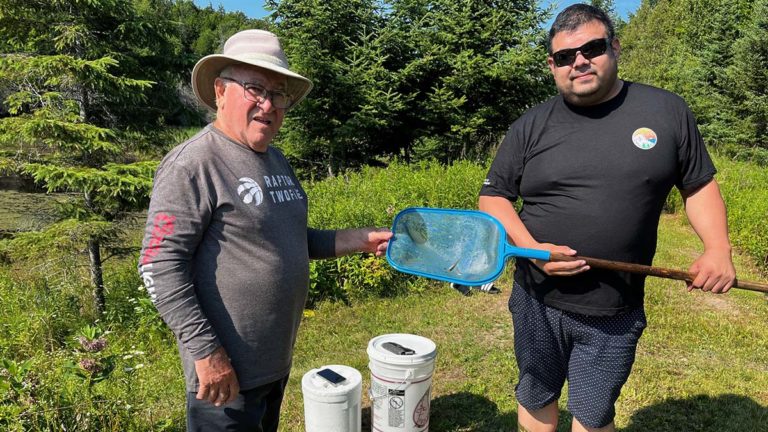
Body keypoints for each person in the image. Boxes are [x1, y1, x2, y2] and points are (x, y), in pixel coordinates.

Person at [478, 4, 736, 432]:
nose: (579, 61)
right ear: (552, 65)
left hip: (614, 304)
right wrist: (533, 249)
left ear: (614, 47)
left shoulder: (666, 111)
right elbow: (493, 198)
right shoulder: (531, 124)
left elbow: (698, 186)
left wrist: (717, 248)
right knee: (535, 393)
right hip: (536, 296)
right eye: (564, 56)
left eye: (592, 48)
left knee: (594, 415)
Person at [138, 29, 392, 432]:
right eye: (254, 88)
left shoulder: (276, 160)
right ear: (220, 91)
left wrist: (360, 239)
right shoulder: (193, 164)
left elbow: (292, 241)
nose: (268, 104)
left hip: (272, 363)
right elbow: (158, 264)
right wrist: (208, 354)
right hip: (224, 377)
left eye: (279, 94)